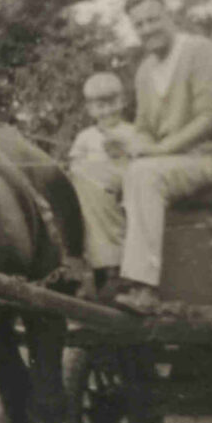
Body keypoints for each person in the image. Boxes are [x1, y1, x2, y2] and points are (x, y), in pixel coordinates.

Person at [107, 0, 212, 314]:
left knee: (144, 174)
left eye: (153, 19)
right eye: (139, 25)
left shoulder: (199, 51)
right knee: (104, 177)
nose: (147, 29)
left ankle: (144, 287)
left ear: (170, 15)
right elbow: (143, 129)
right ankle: (106, 273)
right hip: (171, 165)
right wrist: (131, 145)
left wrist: (161, 149)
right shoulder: (144, 72)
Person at [67, 72, 143, 290]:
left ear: (123, 102)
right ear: (90, 109)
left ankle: (116, 268)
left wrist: (122, 152)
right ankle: (100, 268)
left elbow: (141, 160)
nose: (107, 110)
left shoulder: (132, 131)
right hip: (96, 193)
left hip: (125, 187)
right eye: (99, 106)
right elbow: (75, 163)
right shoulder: (86, 137)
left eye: (112, 103)